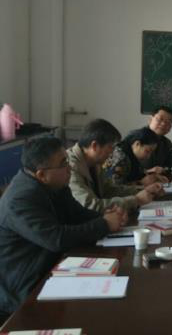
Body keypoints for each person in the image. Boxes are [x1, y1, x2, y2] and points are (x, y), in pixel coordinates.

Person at [0, 137, 125, 324]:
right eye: (63, 164)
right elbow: (56, 239)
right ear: (41, 174)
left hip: (54, 269)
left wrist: (106, 216)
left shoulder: (56, 184)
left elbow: (78, 214)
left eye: (67, 160)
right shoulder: (20, 200)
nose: (70, 168)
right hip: (25, 287)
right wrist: (104, 224)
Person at [67, 119, 163, 213]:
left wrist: (143, 190)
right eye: (110, 147)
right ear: (95, 146)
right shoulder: (70, 167)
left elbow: (109, 190)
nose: (113, 152)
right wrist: (136, 200)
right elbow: (90, 205)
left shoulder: (95, 162)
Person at [103, 127, 168, 186]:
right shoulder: (121, 158)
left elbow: (136, 173)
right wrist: (140, 183)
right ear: (137, 144)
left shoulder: (131, 154)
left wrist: (153, 175)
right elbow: (115, 187)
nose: (148, 156)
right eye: (147, 151)